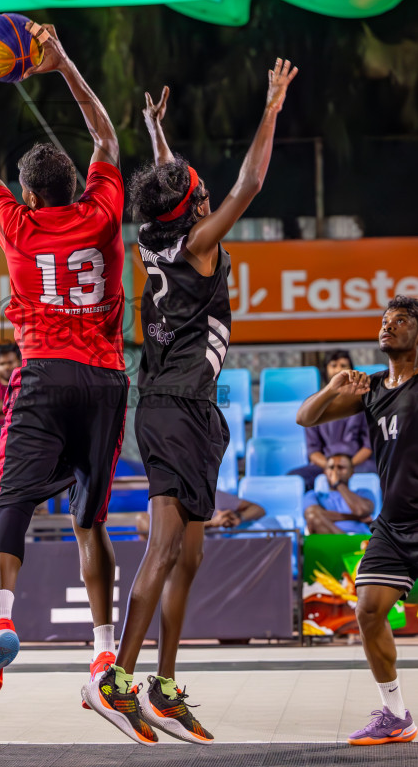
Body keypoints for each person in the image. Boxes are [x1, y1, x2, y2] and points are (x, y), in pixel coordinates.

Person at [83, 57, 297, 744]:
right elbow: (250, 181)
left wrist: (155, 134)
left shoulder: (155, 234)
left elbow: (169, 190)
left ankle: (165, 684)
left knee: (192, 552)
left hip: (191, 408)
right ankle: (113, 678)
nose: (203, 190)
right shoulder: (201, 240)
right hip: (174, 405)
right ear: (198, 209)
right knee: (167, 543)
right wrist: (270, 106)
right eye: (199, 191)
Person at [0, 22, 129, 710]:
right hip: (106, 382)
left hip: (42, 374)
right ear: (74, 186)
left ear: (28, 196)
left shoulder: (18, 226)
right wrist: (60, 63)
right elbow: (107, 139)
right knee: (91, 523)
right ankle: (101, 654)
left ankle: (2, 614)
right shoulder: (101, 214)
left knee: (13, 503)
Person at [297, 296, 418, 745]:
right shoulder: (372, 389)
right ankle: (395, 714)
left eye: (400, 321)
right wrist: (333, 388)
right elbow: (303, 416)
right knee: (367, 610)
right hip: (394, 524)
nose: (387, 327)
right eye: (384, 321)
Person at [289, 350, 374, 489]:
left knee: (387, 474)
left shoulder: (363, 400)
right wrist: (332, 468)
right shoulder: (315, 405)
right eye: (333, 365)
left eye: (343, 365)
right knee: (294, 479)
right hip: (325, 464)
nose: (338, 369)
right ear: (326, 370)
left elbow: (368, 446)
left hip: (357, 463)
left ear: (352, 370)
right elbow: (313, 451)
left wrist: (348, 466)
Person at [135, 491, 270, 539]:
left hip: (214, 557)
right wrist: (212, 523)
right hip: (177, 559)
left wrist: (238, 517)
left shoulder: (215, 495)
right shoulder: (162, 499)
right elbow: (164, 531)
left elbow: (259, 509)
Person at [303, 453, 375, 535]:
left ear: (352, 472)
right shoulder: (313, 495)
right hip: (328, 541)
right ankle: (346, 544)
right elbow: (313, 515)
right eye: (331, 467)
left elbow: (362, 511)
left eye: (341, 467)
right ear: (325, 472)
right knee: (314, 519)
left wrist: (338, 484)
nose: (335, 471)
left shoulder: (364, 493)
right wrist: (356, 517)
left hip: (359, 539)